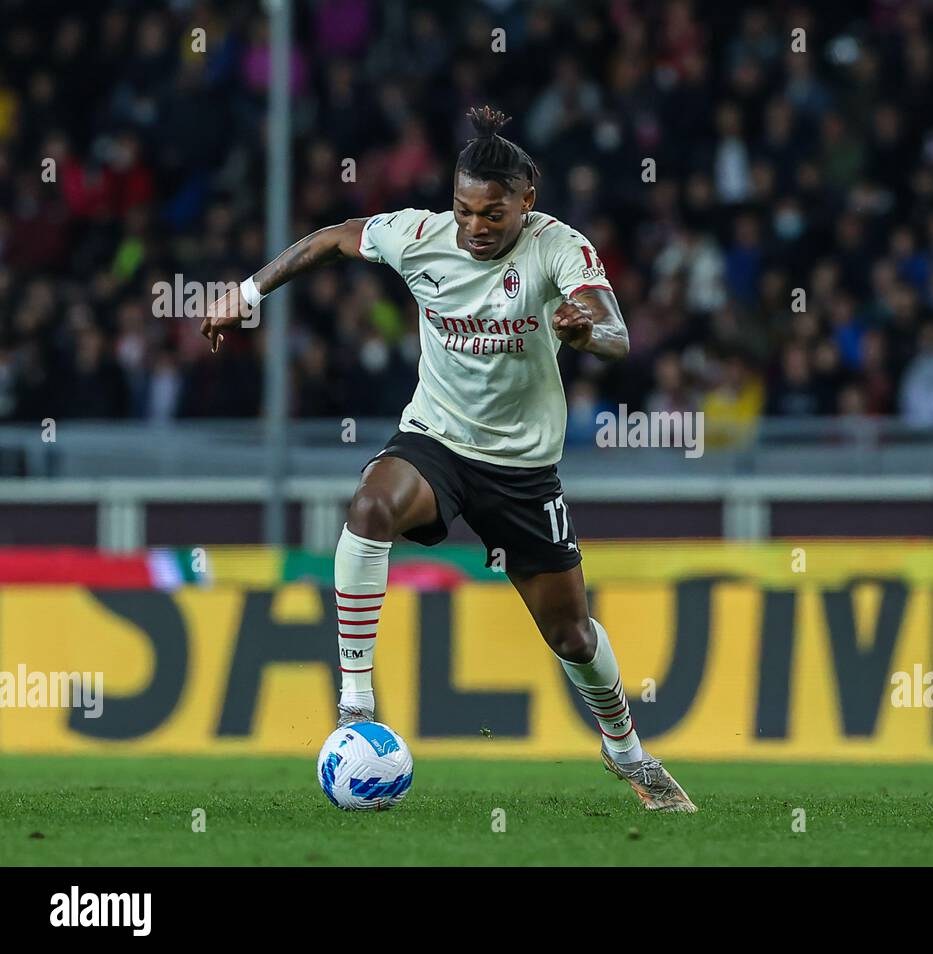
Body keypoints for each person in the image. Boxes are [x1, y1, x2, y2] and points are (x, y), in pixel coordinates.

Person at [201, 106, 696, 813]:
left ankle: (627, 754)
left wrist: (587, 331)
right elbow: (335, 239)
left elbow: (615, 331)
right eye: (464, 210)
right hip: (436, 442)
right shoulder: (421, 236)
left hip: (523, 471)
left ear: (528, 201)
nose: (474, 227)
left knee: (572, 634)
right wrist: (247, 293)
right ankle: (355, 706)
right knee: (370, 506)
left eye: (492, 214)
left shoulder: (559, 247)